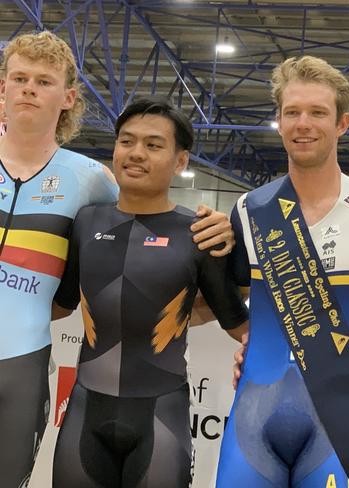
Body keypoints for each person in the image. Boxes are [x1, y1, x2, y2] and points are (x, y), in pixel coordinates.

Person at [0, 31, 233, 488]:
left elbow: (142, 230)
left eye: (43, 81)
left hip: (24, 366)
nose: (28, 88)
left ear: (67, 97)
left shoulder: (90, 181)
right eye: (19, 77)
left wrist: (217, 229)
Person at [217, 55, 349, 488]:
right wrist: (250, 340)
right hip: (253, 415)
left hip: (341, 422)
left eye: (317, 113)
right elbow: (226, 298)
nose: (303, 123)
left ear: (342, 123)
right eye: (292, 112)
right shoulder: (249, 210)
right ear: (279, 121)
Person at [50, 96, 249, 487]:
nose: (136, 153)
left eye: (154, 145)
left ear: (180, 161)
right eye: (127, 141)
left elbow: (238, 324)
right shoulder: (85, 221)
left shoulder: (200, 234)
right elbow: (57, 305)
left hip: (161, 419)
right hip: (84, 414)